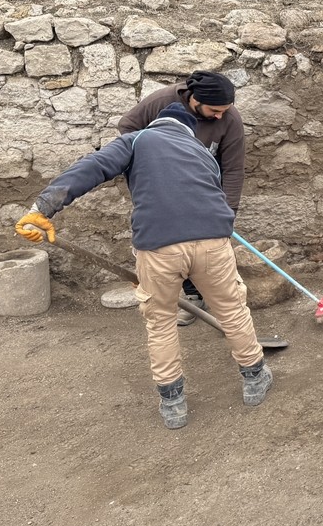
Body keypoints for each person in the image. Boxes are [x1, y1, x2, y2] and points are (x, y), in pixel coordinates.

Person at [15, 103, 271, 430]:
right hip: (213, 242)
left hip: (158, 248)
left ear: (156, 125)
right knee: (233, 310)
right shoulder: (202, 152)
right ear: (188, 130)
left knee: (161, 322)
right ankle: (254, 380)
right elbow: (211, 197)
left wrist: (43, 207)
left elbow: (91, 167)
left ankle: (173, 404)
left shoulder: (136, 140)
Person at [118, 70, 244, 325]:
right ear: (194, 99)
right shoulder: (160, 103)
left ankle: (209, 300)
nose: (220, 115)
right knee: (171, 245)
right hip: (162, 189)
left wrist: (228, 212)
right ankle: (181, 299)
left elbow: (233, 168)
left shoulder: (229, 119)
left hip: (204, 192)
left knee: (205, 246)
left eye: (225, 110)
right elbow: (128, 128)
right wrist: (145, 166)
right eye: (214, 110)